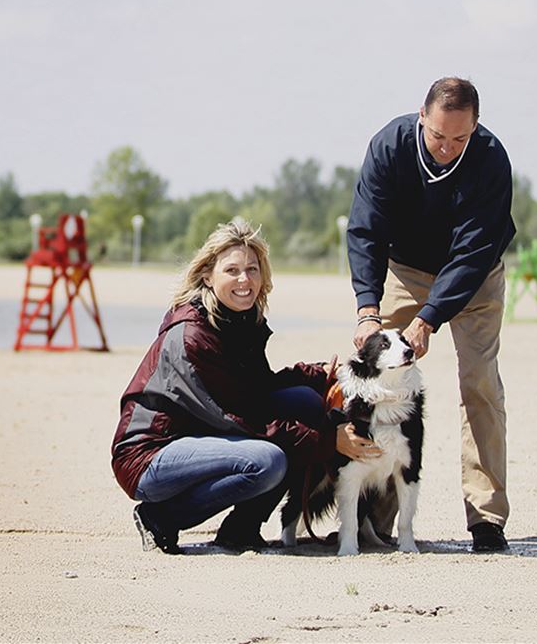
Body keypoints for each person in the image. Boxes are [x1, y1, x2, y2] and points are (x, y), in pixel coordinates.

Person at [111, 220, 378, 553]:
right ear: (208, 275)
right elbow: (244, 420)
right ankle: (160, 518)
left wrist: (314, 375)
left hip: (200, 432)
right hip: (150, 454)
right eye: (232, 270)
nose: (244, 280)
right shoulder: (194, 336)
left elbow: (255, 390)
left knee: (306, 403)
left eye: (252, 269)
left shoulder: (240, 318)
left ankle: (240, 531)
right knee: (268, 460)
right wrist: (328, 441)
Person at [347, 76, 515, 553]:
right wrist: (367, 309)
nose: (446, 148)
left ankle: (486, 518)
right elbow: (365, 230)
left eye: (459, 138)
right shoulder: (389, 147)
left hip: (475, 276)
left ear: (475, 128)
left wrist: (430, 319)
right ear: (422, 118)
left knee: (479, 381)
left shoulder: (491, 158)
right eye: (438, 136)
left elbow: (473, 251)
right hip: (406, 268)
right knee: (377, 379)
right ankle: (372, 514)